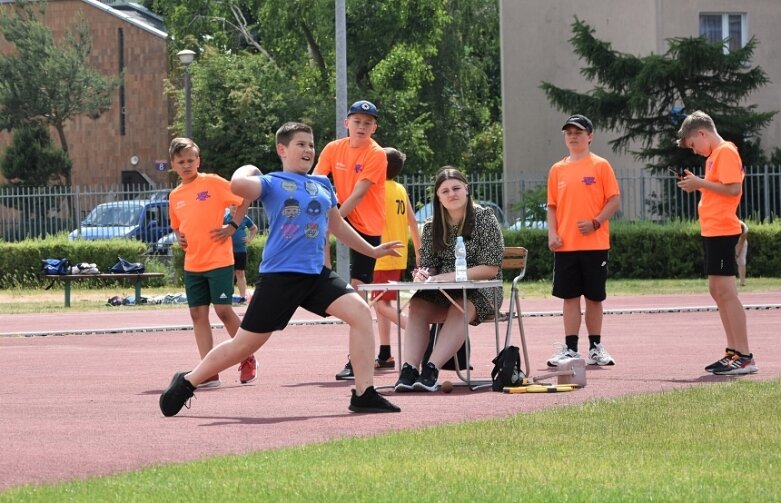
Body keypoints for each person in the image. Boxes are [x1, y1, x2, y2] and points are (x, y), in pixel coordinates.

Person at [159, 122, 402, 416]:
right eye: (301, 144)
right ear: (282, 149)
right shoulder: (271, 183)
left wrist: (373, 250)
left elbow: (337, 226)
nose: (309, 150)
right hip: (281, 277)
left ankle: (364, 393)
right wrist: (249, 167)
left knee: (361, 314)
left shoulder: (322, 185)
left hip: (315, 275)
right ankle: (188, 381)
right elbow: (237, 186)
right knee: (244, 345)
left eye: (311, 145)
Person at [393, 167, 504, 392]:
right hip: (444, 291)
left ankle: (431, 369)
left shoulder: (485, 218)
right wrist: (423, 274)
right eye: (445, 191)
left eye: (456, 188)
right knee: (417, 304)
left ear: (467, 190)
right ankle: (409, 369)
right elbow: (429, 266)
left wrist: (448, 276)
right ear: (438, 197)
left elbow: (491, 269)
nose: (451, 194)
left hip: (483, 291)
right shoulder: (432, 226)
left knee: (461, 307)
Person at [167, 137, 257, 388]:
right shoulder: (175, 196)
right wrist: (179, 237)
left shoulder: (214, 182)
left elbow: (244, 199)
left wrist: (233, 226)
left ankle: (247, 357)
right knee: (197, 314)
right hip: (193, 263)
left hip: (219, 259)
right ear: (173, 164)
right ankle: (208, 372)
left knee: (223, 310)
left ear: (198, 160)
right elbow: (176, 226)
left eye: (190, 160)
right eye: (181, 162)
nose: (186, 165)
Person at [675, 110, 757, 375]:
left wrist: (701, 183)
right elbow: (718, 188)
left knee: (727, 293)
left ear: (702, 133)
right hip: (712, 231)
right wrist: (698, 184)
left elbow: (733, 189)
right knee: (716, 291)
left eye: (693, 144)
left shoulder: (725, 152)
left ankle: (744, 355)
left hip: (723, 230)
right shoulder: (714, 157)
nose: (695, 151)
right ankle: (733, 352)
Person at [313, 100, 388, 380]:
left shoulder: (377, 154)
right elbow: (316, 181)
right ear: (346, 124)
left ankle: (357, 360)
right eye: (357, 121)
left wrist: (333, 222)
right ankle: (321, 287)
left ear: (374, 127)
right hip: (341, 216)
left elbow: (359, 193)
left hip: (366, 225)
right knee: (319, 259)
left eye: (368, 123)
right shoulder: (333, 149)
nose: (362, 126)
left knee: (359, 293)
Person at [545, 114, 621, 368]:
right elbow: (552, 206)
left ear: (590, 136)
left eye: (578, 132)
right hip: (566, 246)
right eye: (569, 132)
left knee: (594, 298)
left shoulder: (600, 166)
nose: (573, 136)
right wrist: (552, 233)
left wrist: (596, 222)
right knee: (569, 298)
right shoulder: (557, 169)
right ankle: (569, 348)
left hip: (595, 245)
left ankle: (596, 347)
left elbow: (614, 201)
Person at [371, 148, 421, 369]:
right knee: (383, 303)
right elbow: (412, 222)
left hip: (382, 255)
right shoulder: (399, 189)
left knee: (379, 305)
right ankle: (385, 353)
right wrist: (419, 253)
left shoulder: (377, 188)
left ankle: (419, 333)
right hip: (398, 256)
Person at [224, 203, 258, 302]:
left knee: (240, 273)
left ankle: (243, 297)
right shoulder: (225, 218)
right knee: (229, 273)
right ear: (228, 207)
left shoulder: (244, 217)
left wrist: (249, 239)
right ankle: (228, 296)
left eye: (236, 205)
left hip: (241, 250)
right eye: (232, 205)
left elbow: (254, 228)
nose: (234, 207)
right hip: (228, 251)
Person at [736, 220, 748, 287]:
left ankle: (742, 282)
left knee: (741, 261)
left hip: (741, 242)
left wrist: (737, 254)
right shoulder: (728, 227)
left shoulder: (745, 228)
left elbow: (741, 243)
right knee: (723, 260)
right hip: (729, 240)